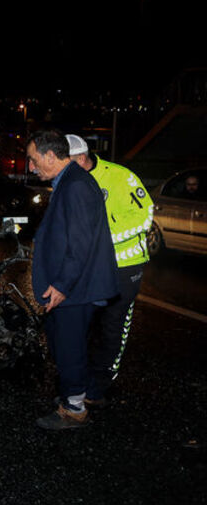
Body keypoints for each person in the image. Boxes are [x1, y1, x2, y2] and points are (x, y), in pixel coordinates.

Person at [26, 129, 118, 430]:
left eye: (33, 159)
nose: (30, 166)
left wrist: (63, 284)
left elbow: (79, 243)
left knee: (69, 346)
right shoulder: (69, 181)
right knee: (63, 340)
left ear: (51, 156)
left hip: (76, 287)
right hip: (75, 284)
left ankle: (74, 408)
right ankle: (80, 392)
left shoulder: (75, 186)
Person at [66, 134, 153, 407]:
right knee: (85, 325)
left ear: (81, 158)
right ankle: (81, 383)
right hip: (88, 269)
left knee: (113, 326)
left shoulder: (120, 177)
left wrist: (102, 240)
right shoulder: (70, 182)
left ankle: (99, 386)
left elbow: (144, 216)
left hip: (124, 268)